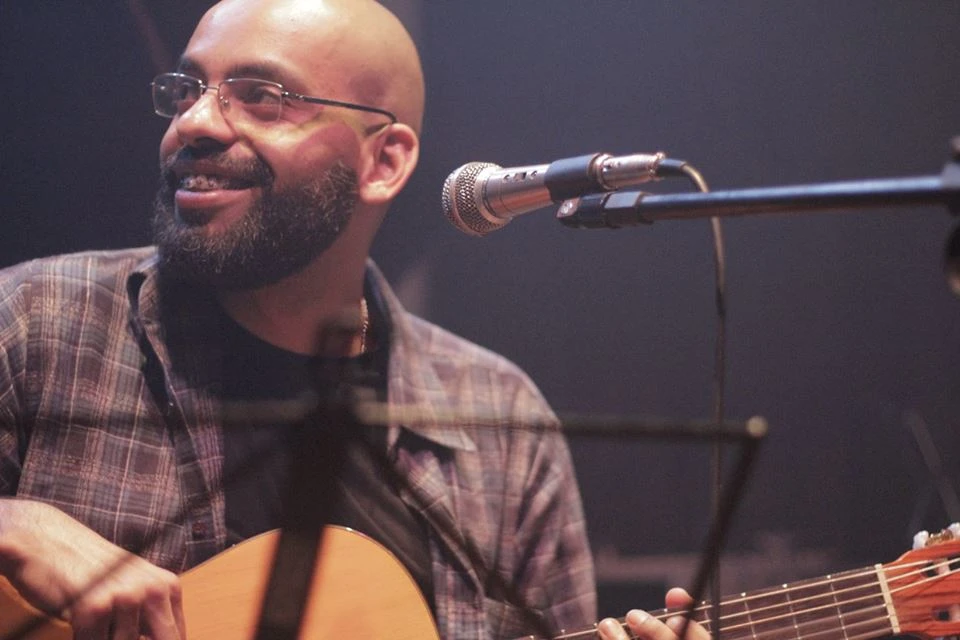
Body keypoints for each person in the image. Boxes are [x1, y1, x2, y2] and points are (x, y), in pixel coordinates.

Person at [0, 1, 705, 639]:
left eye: (262, 97)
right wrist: (14, 523)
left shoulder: (504, 423)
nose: (194, 122)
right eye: (189, 89)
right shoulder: (37, 324)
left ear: (383, 160)